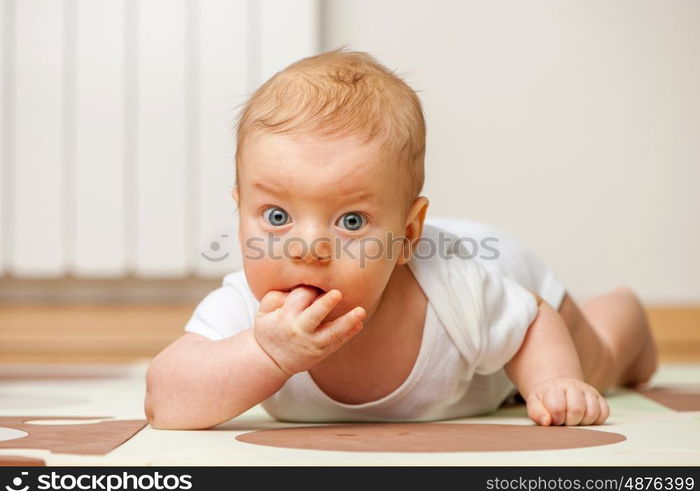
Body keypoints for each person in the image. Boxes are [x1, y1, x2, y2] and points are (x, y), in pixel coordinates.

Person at [144, 49, 658, 429]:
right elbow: (164, 402)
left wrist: (552, 383)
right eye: (276, 215)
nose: (307, 247)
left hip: (504, 271)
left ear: (407, 233)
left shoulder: (456, 292)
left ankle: (625, 317)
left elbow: (531, 322)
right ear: (240, 210)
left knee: (597, 365)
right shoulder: (244, 311)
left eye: (349, 222)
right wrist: (264, 354)